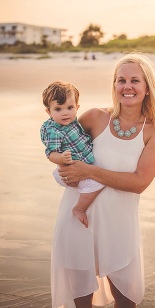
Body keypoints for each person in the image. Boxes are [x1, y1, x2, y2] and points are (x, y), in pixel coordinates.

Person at [50, 53, 155, 308]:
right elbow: (61, 144)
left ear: (147, 88)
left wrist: (90, 171)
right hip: (77, 223)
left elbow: (140, 182)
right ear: (114, 85)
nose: (127, 86)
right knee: (82, 303)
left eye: (135, 80)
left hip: (119, 227)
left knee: (126, 302)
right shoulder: (94, 117)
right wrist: (63, 168)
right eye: (121, 80)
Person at [41, 81, 105, 228]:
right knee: (98, 182)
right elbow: (51, 153)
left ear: (77, 108)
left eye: (70, 108)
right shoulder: (54, 131)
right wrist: (61, 159)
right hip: (67, 170)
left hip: (77, 167)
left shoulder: (71, 121)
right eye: (58, 109)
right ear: (48, 112)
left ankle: (84, 196)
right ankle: (79, 208)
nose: (65, 113)